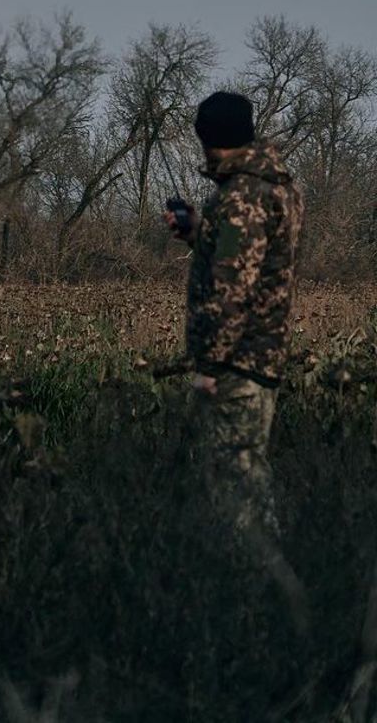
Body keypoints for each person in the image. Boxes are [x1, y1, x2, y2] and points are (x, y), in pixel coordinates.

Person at [165, 91, 303, 536]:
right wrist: (198, 233)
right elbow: (249, 258)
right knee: (247, 476)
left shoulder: (240, 196)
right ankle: (264, 582)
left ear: (209, 139)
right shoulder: (275, 186)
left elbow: (233, 290)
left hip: (238, 363)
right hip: (262, 357)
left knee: (235, 489)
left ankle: (256, 589)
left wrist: (210, 366)